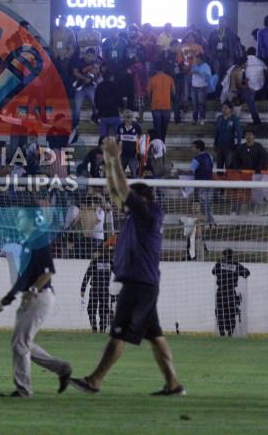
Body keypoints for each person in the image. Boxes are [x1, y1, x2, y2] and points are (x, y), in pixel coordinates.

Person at [71, 137, 184, 396]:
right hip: (143, 283)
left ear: (141, 198)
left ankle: (95, 380)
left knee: (118, 333)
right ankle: (173, 384)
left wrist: (117, 159)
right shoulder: (139, 216)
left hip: (138, 284)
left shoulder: (148, 212)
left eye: (131, 197)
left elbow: (122, 190)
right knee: (155, 336)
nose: (123, 203)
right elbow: (115, 190)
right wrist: (110, 162)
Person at [0, 205, 72, 398]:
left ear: (31, 220)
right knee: (21, 342)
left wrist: (31, 291)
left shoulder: (39, 242)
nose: (17, 221)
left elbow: (48, 273)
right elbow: (25, 277)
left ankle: (24, 389)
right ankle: (62, 368)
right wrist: (9, 297)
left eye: (21, 217)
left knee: (20, 343)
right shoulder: (29, 243)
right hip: (32, 297)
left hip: (40, 297)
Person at [212, 249, 250, 337]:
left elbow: (213, 271)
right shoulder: (235, 265)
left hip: (221, 291)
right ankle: (230, 332)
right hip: (230, 292)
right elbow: (247, 273)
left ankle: (221, 332)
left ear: (223, 255)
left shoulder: (219, 263)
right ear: (231, 255)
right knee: (231, 312)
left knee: (220, 311)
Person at [80, 247, 113, 333]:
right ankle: (102, 328)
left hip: (95, 288)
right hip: (105, 289)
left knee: (91, 309)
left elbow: (87, 275)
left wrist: (83, 289)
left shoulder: (94, 262)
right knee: (104, 309)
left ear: (99, 253)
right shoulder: (110, 262)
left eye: (95, 252)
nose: (93, 254)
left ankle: (94, 327)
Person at [70, 48, 102, 130]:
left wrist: (96, 71)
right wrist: (84, 78)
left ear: (94, 56)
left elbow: (97, 75)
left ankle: (94, 117)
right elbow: (75, 72)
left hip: (90, 87)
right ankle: (74, 124)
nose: (90, 58)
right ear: (85, 55)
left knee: (97, 103)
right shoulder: (79, 61)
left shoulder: (95, 63)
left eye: (92, 56)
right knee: (77, 106)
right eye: (88, 55)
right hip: (79, 87)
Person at [146, 63, 175, 141]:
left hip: (155, 106)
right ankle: (163, 142)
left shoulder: (152, 79)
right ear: (163, 69)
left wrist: (150, 101)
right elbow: (174, 92)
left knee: (157, 127)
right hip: (166, 106)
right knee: (164, 128)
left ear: (155, 69)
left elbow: (148, 93)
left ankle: (158, 144)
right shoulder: (170, 78)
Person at [207, 17, 240, 81]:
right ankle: (217, 90)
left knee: (228, 74)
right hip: (216, 57)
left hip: (228, 57)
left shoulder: (231, 32)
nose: (221, 23)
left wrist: (236, 55)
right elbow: (209, 44)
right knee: (216, 75)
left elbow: (235, 44)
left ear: (226, 23)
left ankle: (226, 90)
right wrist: (210, 55)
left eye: (223, 21)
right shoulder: (213, 32)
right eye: (220, 21)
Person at [191, 140, 215, 225]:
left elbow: (191, 171)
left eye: (193, 147)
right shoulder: (210, 156)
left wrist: (180, 172)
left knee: (202, 204)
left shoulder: (196, 159)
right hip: (210, 183)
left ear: (198, 148)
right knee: (208, 204)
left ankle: (205, 222)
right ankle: (211, 221)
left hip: (200, 184)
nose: (192, 149)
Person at [214, 101, 242, 170]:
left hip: (229, 147)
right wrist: (215, 143)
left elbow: (239, 132)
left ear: (230, 109)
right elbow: (217, 132)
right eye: (223, 108)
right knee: (219, 166)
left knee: (229, 166)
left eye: (226, 108)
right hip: (219, 146)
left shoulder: (234, 118)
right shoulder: (219, 118)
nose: (223, 110)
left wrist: (238, 143)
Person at [94, 70, 121, 137]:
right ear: (111, 77)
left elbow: (96, 100)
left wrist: (99, 109)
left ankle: (103, 147)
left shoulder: (99, 86)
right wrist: (121, 107)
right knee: (119, 135)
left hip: (103, 115)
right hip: (114, 114)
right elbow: (119, 99)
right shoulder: (115, 85)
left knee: (103, 137)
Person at [243, 47, 266, 124]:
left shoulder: (245, 61)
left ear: (247, 53)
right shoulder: (259, 61)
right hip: (260, 86)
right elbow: (266, 69)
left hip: (249, 86)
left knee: (250, 101)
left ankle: (256, 119)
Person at [117, 110, 141, 176]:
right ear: (123, 117)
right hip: (123, 155)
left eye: (129, 117)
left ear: (132, 117)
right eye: (125, 117)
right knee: (120, 174)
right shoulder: (120, 127)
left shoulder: (137, 127)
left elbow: (139, 140)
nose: (127, 119)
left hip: (133, 154)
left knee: (134, 174)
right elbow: (118, 140)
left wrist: (138, 152)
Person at [190, 54, 211, 125]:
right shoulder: (194, 65)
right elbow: (191, 73)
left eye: (197, 59)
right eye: (195, 59)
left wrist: (198, 73)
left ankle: (202, 118)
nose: (196, 60)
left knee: (201, 104)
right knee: (194, 104)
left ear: (201, 59)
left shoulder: (206, 66)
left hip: (202, 87)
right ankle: (194, 118)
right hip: (194, 87)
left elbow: (208, 77)